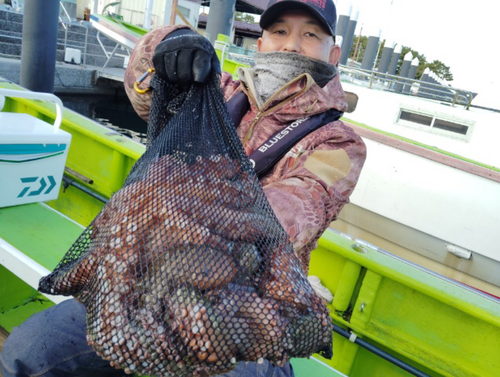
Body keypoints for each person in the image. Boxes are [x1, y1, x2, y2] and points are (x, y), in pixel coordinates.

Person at [0, 0, 366, 376]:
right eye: (279, 31)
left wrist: (182, 218)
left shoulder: (338, 142)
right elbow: (142, 90)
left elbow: (296, 208)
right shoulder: (214, 90)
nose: (291, 45)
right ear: (260, 44)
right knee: (32, 349)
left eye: (310, 34)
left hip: (252, 301)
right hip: (147, 276)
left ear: (333, 53)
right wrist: (170, 43)